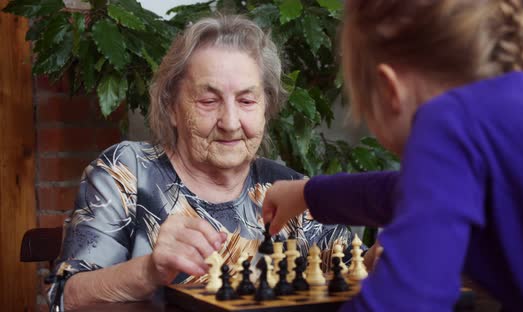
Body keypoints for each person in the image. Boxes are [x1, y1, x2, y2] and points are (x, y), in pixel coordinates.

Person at [262, 0, 523, 311]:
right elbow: (408, 192)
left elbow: (405, 303)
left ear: (389, 89)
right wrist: (307, 194)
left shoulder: (448, 119)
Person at [47, 15, 363, 311]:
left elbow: (360, 278)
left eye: (247, 100)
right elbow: (66, 299)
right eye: (208, 101)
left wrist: (383, 264)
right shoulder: (126, 172)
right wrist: (149, 270)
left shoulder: (288, 190)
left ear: (266, 108)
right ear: (171, 107)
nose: (230, 122)